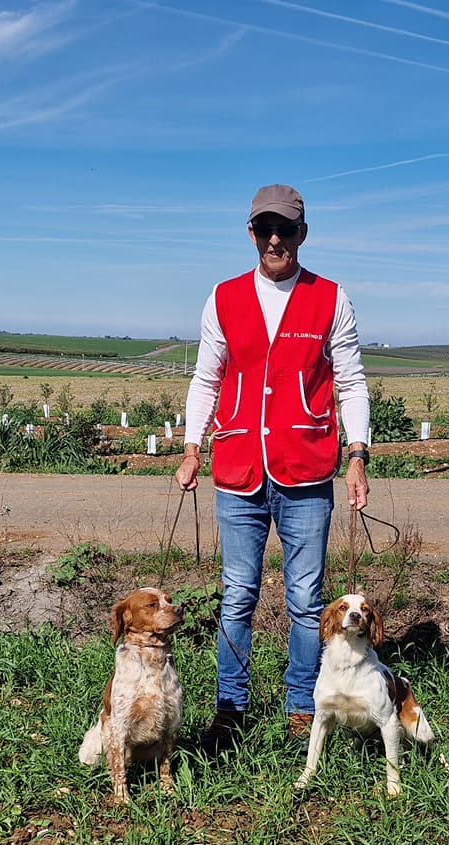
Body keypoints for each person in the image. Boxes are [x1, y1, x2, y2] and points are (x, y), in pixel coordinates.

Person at [175, 183, 370, 742]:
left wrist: (357, 456)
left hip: (306, 470)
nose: (275, 239)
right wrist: (191, 448)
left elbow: (352, 382)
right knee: (237, 592)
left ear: (303, 234)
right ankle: (230, 709)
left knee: (306, 598)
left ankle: (301, 706)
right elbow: (206, 377)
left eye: (285, 229)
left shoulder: (331, 298)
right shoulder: (223, 297)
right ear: (251, 232)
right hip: (237, 467)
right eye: (265, 228)